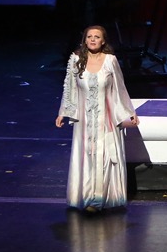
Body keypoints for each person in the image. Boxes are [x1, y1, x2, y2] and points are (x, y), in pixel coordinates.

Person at [55, 25, 139, 213]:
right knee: (87, 156)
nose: (93, 39)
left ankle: (101, 199)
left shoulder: (110, 61)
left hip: (106, 120)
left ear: (103, 41)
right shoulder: (76, 59)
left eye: (97, 37)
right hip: (84, 122)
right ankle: (86, 197)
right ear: (85, 40)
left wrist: (129, 111)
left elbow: (119, 88)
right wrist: (63, 112)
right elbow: (70, 88)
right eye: (89, 36)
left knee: (104, 156)